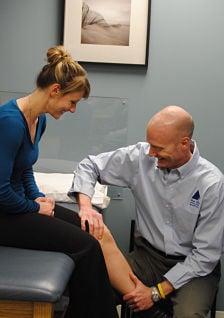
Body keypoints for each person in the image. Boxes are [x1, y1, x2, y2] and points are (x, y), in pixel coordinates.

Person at [69, 105, 224, 317]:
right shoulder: (141, 157)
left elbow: (206, 255)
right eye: (150, 145)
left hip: (194, 268)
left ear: (184, 144)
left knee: (188, 315)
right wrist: (86, 207)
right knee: (90, 288)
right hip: (148, 257)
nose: (151, 153)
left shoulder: (212, 183)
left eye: (158, 147)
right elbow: (90, 166)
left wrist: (155, 292)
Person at [0, 45, 117, 318]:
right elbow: (1, 190)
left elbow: (25, 168)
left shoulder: (37, 120)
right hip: (4, 214)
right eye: (72, 102)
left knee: (88, 229)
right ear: (55, 90)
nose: (73, 110)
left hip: (17, 208)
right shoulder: (9, 123)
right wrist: (33, 208)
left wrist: (37, 196)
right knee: (86, 246)